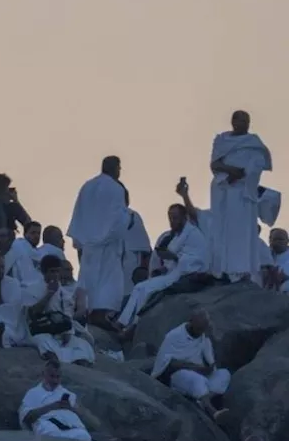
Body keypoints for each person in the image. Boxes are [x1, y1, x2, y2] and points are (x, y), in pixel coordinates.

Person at [118, 193, 211, 330]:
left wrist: (174, 258)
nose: (172, 221)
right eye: (170, 218)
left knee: (146, 290)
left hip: (184, 275)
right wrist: (164, 267)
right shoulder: (176, 236)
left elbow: (197, 259)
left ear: (184, 218)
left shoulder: (192, 234)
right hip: (173, 273)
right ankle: (123, 322)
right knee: (139, 288)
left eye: (175, 218)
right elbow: (173, 259)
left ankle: (134, 324)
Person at [67, 156, 132, 325]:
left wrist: (80, 239)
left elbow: (78, 212)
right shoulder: (116, 188)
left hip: (88, 244)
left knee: (88, 277)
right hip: (108, 243)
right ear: (115, 168)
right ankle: (101, 315)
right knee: (110, 280)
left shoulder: (87, 186)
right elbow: (119, 217)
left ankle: (86, 310)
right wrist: (128, 220)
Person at [210, 111, 273, 281]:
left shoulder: (253, 143)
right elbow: (214, 163)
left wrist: (243, 174)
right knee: (223, 229)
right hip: (224, 189)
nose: (243, 123)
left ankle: (243, 270)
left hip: (243, 191)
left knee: (243, 231)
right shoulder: (222, 140)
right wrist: (230, 172)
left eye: (246, 121)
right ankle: (223, 269)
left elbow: (258, 164)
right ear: (232, 121)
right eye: (240, 120)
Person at [152, 310, 230, 417]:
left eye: (203, 329)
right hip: (179, 375)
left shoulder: (203, 336)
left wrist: (209, 368)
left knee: (224, 374)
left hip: (200, 373)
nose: (200, 333)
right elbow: (166, 363)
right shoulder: (174, 336)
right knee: (197, 380)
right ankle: (213, 412)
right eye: (198, 329)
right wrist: (193, 367)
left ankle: (203, 400)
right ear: (190, 322)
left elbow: (210, 362)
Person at [28, 256, 95, 364]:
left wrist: (67, 331)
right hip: (43, 329)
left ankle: (76, 359)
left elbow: (67, 314)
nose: (55, 275)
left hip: (60, 331)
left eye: (57, 271)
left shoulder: (63, 292)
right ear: (44, 272)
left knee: (83, 346)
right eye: (52, 271)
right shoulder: (33, 288)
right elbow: (32, 312)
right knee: (42, 341)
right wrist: (49, 294)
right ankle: (54, 357)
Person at [19, 358, 94, 441]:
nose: (55, 381)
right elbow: (26, 418)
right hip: (48, 426)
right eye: (52, 376)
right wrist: (53, 406)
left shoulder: (68, 394)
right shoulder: (33, 393)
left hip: (71, 429)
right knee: (48, 430)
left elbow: (85, 416)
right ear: (44, 374)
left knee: (84, 436)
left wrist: (70, 408)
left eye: (58, 377)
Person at [263, 227, 289, 291]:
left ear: (287, 241)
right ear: (270, 240)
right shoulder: (262, 255)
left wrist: (285, 278)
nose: (278, 242)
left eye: (281, 239)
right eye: (275, 239)